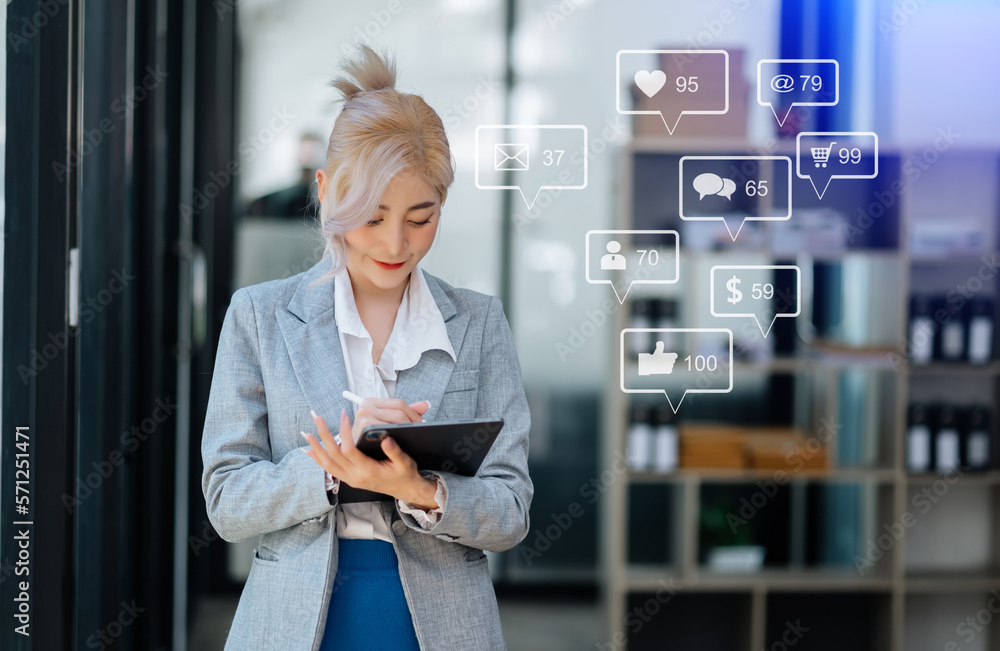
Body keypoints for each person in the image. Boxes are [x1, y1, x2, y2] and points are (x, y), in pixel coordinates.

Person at [201, 46, 533, 650]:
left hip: (443, 627)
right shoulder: (260, 316)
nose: (396, 242)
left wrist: (421, 490)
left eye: (420, 217)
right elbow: (226, 501)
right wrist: (335, 468)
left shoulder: (479, 322)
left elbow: (511, 510)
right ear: (327, 191)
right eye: (373, 216)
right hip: (294, 624)